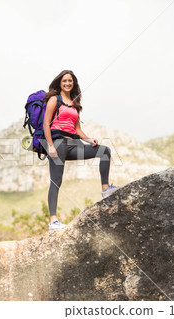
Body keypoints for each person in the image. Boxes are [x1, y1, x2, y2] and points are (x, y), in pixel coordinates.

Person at [41, 70, 120, 231]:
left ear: (73, 83)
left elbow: (78, 130)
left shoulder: (74, 104)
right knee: (57, 180)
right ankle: (53, 221)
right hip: (57, 143)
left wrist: (89, 140)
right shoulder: (54, 100)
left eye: (70, 81)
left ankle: (105, 189)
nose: (67, 83)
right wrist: (50, 146)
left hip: (73, 144)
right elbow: (46, 123)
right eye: (64, 81)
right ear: (60, 83)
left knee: (104, 151)